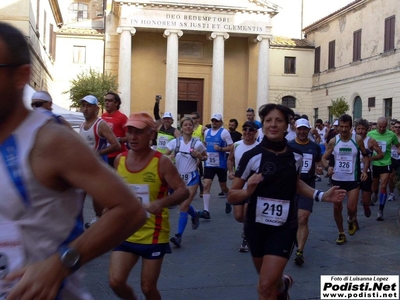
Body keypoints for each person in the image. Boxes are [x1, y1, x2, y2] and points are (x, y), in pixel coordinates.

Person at [0, 22, 146, 300]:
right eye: (84, 104)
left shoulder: (51, 140)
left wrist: (60, 264)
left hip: (101, 168)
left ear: (21, 76)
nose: (84, 108)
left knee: (99, 208)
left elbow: (130, 210)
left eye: (91, 104)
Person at [227, 103, 345, 300]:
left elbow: (296, 184)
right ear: (263, 125)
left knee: (264, 287)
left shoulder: (296, 157)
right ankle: (283, 285)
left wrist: (322, 196)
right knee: (271, 283)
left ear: (286, 126)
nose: (273, 124)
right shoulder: (251, 156)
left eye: (279, 120)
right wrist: (249, 189)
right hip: (255, 227)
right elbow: (232, 195)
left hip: (283, 227)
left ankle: (278, 286)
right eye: (268, 121)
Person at [109, 112, 189, 300]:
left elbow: (182, 191)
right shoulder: (119, 160)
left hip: (153, 233)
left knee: (147, 288)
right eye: (130, 131)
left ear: (151, 134)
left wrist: (161, 203)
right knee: (115, 282)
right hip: (125, 232)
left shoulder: (161, 162)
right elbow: (115, 191)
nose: (133, 137)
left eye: (139, 132)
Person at [323, 114, 369, 245]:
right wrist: (328, 168)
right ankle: (341, 233)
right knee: (337, 207)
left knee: (351, 208)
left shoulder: (358, 139)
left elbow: (366, 156)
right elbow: (323, 158)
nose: (343, 130)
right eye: (341, 127)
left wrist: (365, 170)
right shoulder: (334, 140)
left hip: (353, 179)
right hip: (337, 179)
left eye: (346, 127)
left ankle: (350, 219)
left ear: (351, 127)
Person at [79, 95, 121, 228]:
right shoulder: (81, 125)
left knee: (98, 202)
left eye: (89, 106)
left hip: (98, 168)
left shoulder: (100, 124)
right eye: (83, 106)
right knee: (78, 200)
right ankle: (77, 233)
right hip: (84, 168)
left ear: (96, 108)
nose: (85, 109)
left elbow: (116, 145)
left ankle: (103, 226)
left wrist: (98, 153)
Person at [165, 117, 207, 247]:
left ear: (193, 128)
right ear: (181, 128)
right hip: (177, 179)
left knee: (183, 206)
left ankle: (178, 236)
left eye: (190, 125)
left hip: (192, 178)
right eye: (185, 125)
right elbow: (162, 157)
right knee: (182, 203)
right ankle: (194, 215)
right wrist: (169, 156)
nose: (188, 127)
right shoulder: (174, 143)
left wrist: (199, 156)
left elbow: (205, 157)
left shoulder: (197, 143)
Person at [287, 118, 323, 265]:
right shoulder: (288, 146)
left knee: (303, 218)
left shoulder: (314, 147)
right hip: (290, 187)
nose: (302, 131)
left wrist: (320, 167)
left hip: (307, 186)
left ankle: (300, 251)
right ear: (296, 129)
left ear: (309, 130)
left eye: (304, 129)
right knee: (292, 220)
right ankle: (295, 235)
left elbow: (319, 161)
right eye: (299, 129)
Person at [227, 121, 258, 252]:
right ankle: (252, 227)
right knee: (238, 216)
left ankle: (247, 237)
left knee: (247, 213)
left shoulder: (259, 147)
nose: (247, 132)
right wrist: (230, 171)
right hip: (238, 185)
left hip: (253, 187)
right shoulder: (237, 145)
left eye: (250, 130)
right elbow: (230, 159)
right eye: (245, 129)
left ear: (255, 132)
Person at [201, 113, 234, 219]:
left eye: (216, 121)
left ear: (221, 122)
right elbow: (205, 144)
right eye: (213, 121)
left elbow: (231, 147)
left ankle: (228, 199)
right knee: (206, 185)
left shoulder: (224, 133)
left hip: (220, 164)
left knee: (223, 187)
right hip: (209, 163)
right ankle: (206, 210)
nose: (214, 122)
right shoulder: (206, 132)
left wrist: (220, 149)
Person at [368, 117, 400, 220]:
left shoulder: (391, 135)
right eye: (380, 126)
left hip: (386, 163)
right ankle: (375, 193)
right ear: (377, 125)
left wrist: (399, 150)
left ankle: (380, 210)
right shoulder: (371, 134)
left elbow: (398, 145)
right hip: (375, 163)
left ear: (387, 125)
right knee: (375, 187)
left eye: (384, 127)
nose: (382, 129)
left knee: (383, 185)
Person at [355, 118, 383, 217]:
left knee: (365, 200)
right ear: (355, 129)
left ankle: (366, 206)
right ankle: (353, 220)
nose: (360, 131)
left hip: (366, 173)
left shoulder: (370, 141)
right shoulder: (351, 140)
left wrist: (370, 158)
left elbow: (381, 155)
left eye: (363, 129)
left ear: (367, 130)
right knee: (353, 200)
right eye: (358, 128)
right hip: (353, 173)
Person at [101, 91, 128, 168]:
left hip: (118, 156)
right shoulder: (103, 116)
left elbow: (129, 136)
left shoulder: (122, 117)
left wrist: (117, 140)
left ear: (116, 103)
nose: (106, 103)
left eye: (109, 101)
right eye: (105, 100)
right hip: (105, 155)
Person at [191, 111, 205, 197]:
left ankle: (201, 189)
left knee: (197, 171)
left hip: (199, 153)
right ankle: (197, 188)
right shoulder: (190, 128)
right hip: (190, 152)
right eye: (191, 118)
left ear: (198, 119)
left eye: (194, 118)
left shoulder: (202, 128)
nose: (192, 120)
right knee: (194, 171)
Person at [388, 120, 400, 201]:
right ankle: (392, 193)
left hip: (399, 158)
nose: (397, 129)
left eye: (399, 127)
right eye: (396, 127)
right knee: (391, 177)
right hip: (391, 158)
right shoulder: (390, 136)